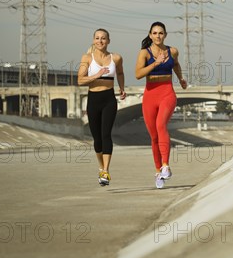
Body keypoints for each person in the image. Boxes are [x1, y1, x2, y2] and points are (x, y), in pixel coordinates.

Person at [135, 21, 187, 189]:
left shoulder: (172, 51)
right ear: (150, 35)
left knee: (160, 125)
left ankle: (166, 165)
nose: (158, 36)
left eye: (161, 33)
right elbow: (138, 74)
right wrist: (155, 63)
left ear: (165, 35)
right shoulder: (144, 53)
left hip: (167, 92)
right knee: (154, 137)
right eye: (155, 33)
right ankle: (158, 172)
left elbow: (176, 65)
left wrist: (180, 79)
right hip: (150, 95)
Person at [77, 28, 126, 186]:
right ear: (93, 41)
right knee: (97, 138)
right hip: (93, 99)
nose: (100, 41)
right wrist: (97, 75)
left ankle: (106, 170)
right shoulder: (87, 58)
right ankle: (100, 167)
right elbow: (80, 80)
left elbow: (120, 73)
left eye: (103, 38)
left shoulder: (116, 58)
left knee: (106, 135)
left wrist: (122, 88)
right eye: (97, 38)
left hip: (109, 99)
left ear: (108, 41)